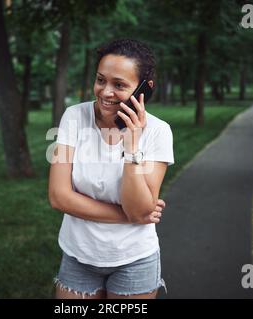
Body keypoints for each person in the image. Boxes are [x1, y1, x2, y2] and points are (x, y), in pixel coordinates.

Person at [48, 38, 174, 299]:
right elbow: (59, 197)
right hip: (77, 255)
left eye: (119, 85)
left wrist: (132, 146)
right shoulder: (74, 117)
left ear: (144, 89)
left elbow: (140, 207)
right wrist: (132, 216)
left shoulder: (158, 132)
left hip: (134, 259)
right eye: (100, 79)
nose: (105, 92)